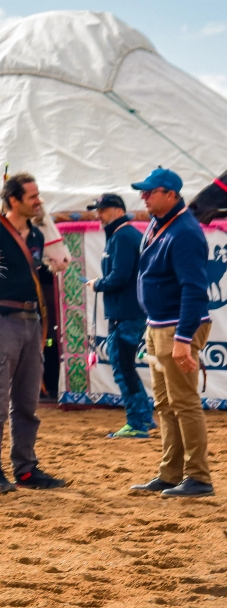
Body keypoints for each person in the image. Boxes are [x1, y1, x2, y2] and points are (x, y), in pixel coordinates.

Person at [0, 173, 65, 493]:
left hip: (31, 321)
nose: (39, 202)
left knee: (27, 402)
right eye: (33, 197)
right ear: (14, 201)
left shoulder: (37, 235)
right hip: (1, 320)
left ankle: (25, 469)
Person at [127, 168, 214, 498]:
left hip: (177, 326)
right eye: (143, 191)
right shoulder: (160, 224)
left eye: (150, 191)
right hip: (161, 324)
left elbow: (194, 288)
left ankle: (199, 477)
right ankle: (171, 473)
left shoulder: (185, 233)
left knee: (184, 402)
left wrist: (182, 339)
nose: (143, 196)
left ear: (171, 194)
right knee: (164, 403)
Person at [85, 193, 152, 439]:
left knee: (122, 367)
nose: (98, 216)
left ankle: (136, 423)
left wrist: (97, 284)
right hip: (128, 312)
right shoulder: (125, 235)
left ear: (116, 210)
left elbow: (120, 277)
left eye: (102, 210)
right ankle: (144, 416)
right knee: (126, 366)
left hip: (126, 314)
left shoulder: (122, 237)